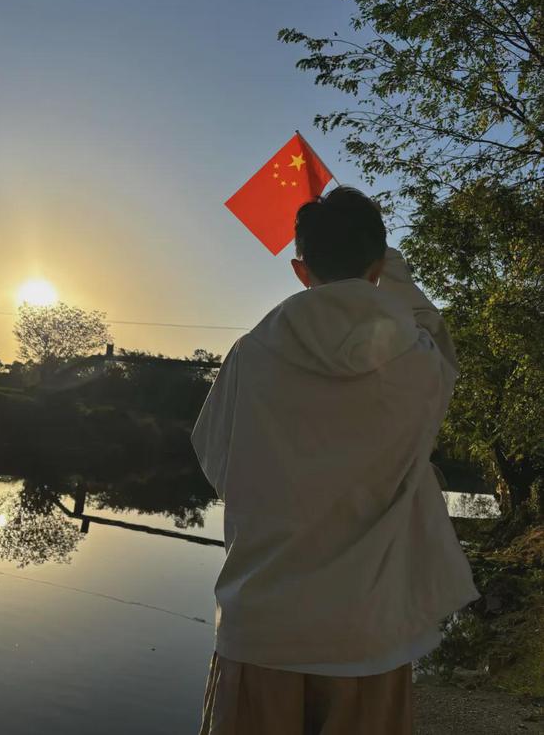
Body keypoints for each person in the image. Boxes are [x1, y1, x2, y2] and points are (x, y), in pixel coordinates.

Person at [191, 186, 478, 735]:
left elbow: (217, 464)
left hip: (261, 629)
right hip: (365, 633)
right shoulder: (416, 363)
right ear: (377, 265)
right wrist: (392, 271)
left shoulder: (250, 355)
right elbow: (441, 345)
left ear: (301, 270)